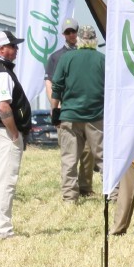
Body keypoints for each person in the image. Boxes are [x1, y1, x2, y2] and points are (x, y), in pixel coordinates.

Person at [0, 30, 30, 240]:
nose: (16, 50)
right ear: (1, 49)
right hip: (3, 132)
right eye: (13, 46)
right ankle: (3, 231)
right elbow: (3, 107)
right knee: (5, 182)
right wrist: (13, 132)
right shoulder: (1, 72)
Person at [51, 25, 104, 204]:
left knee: (69, 159)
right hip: (96, 117)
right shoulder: (102, 59)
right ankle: (112, 194)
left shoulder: (67, 58)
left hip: (70, 116)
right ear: (94, 40)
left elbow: (56, 86)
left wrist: (55, 110)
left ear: (79, 40)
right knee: (103, 158)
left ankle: (69, 198)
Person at [45, 16, 80, 118]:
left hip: (86, 109)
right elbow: (49, 82)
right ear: (63, 34)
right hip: (66, 110)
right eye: (67, 32)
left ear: (78, 30)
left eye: (73, 31)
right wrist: (56, 107)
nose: (71, 35)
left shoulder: (86, 54)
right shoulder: (56, 57)